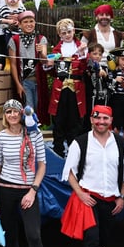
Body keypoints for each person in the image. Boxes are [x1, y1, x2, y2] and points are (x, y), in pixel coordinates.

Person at [61, 105, 124, 247]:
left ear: (111, 120)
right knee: (91, 238)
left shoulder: (119, 142)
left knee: (104, 240)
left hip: (111, 200)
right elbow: (69, 173)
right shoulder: (80, 142)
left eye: (105, 119)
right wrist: (81, 194)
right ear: (92, 119)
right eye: (97, 118)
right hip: (89, 199)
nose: (101, 122)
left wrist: (122, 197)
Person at [0, 99, 47, 247]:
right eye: (8, 112)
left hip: (27, 190)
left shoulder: (34, 134)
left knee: (34, 236)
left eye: (15, 111)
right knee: (11, 237)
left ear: (22, 113)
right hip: (6, 191)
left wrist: (33, 190)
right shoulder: (0, 137)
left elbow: (42, 165)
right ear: (5, 116)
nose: (12, 115)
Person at [47, 18, 88, 157]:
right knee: (59, 120)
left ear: (74, 31)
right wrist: (49, 64)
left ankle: (74, 151)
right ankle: (58, 150)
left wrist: (82, 54)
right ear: (60, 34)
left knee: (75, 120)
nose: (67, 35)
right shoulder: (56, 50)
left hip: (76, 90)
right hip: (60, 89)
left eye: (69, 31)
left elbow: (83, 69)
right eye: (64, 33)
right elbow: (52, 73)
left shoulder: (81, 47)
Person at [7, 10, 48, 113]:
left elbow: (45, 62)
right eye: (25, 22)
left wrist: (41, 53)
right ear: (20, 25)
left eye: (31, 21)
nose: (29, 24)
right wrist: (18, 84)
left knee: (39, 107)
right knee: (29, 108)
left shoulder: (41, 39)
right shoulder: (14, 40)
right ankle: (29, 128)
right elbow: (13, 64)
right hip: (24, 80)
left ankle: (35, 128)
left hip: (39, 79)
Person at [83, 43, 108, 131]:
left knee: (101, 117)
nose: (97, 56)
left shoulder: (104, 68)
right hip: (90, 98)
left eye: (100, 54)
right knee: (89, 118)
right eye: (95, 54)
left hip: (101, 99)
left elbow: (109, 83)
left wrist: (105, 75)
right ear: (89, 54)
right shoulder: (87, 67)